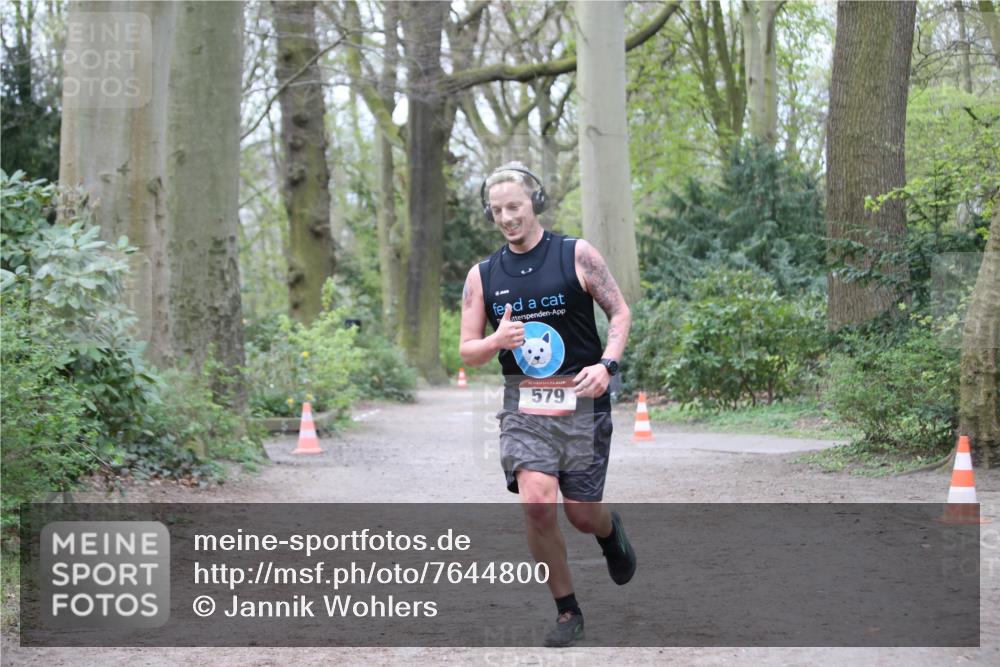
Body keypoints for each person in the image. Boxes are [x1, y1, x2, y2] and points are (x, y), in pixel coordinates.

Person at [459, 161, 636, 647]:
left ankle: (607, 530)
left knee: (581, 514)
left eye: (513, 206)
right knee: (537, 503)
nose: (506, 217)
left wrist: (607, 365)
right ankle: (567, 611)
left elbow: (619, 312)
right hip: (524, 406)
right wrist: (496, 339)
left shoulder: (576, 254)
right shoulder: (483, 275)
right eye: (496, 211)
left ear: (534, 202)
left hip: (582, 397)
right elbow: (467, 351)